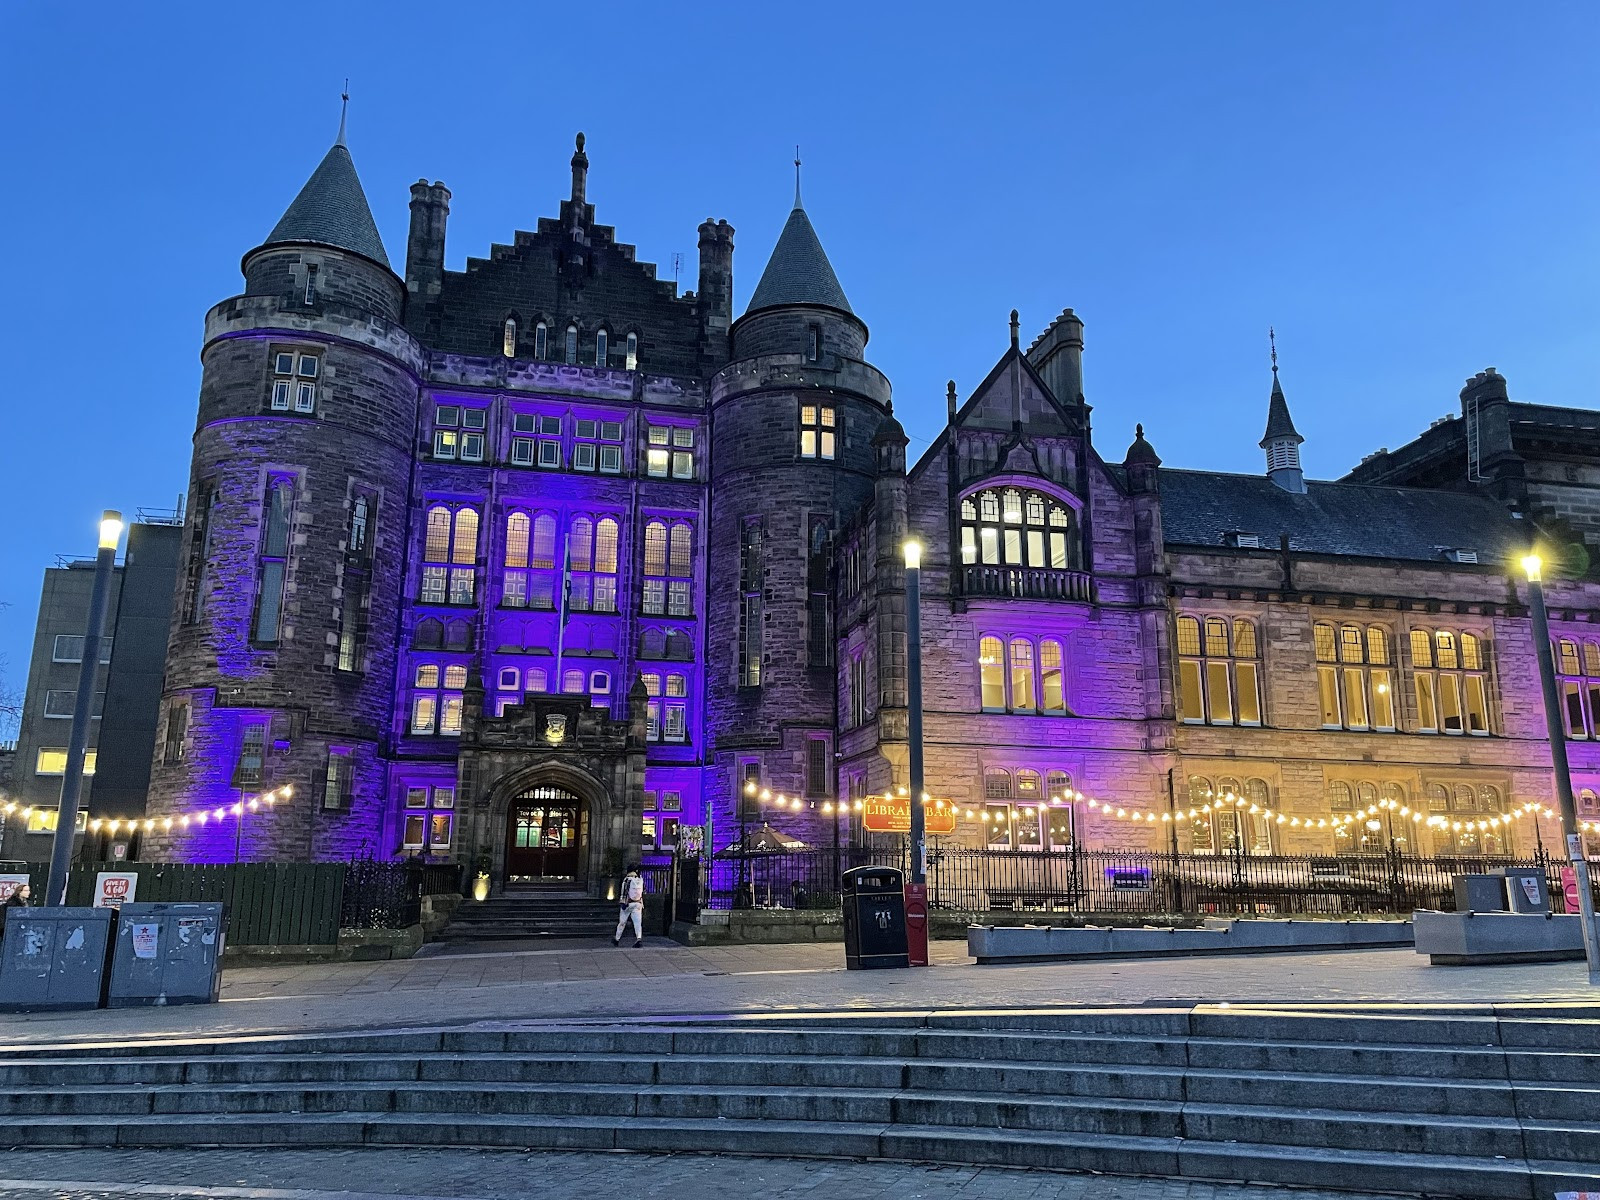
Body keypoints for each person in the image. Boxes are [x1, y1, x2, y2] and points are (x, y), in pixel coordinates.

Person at [613, 865, 645, 948]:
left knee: (622, 922)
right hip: (638, 903)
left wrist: (622, 902)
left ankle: (617, 939)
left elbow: (624, 892)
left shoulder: (627, 879)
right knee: (637, 923)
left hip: (628, 903)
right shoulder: (640, 879)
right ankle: (639, 939)